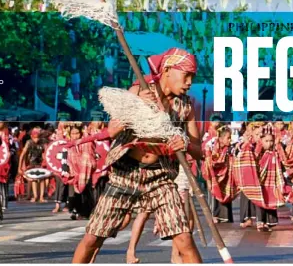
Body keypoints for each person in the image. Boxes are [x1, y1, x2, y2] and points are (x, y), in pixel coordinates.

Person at [71, 47, 202, 264]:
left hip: (160, 177)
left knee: (184, 239)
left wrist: (185, 142)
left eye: (192, 77)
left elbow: (198, 151)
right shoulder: (138, 90)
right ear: (168, 70)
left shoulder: (185, 106)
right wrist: (137, 108)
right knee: (93, 237)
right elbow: (113, 130)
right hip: (126, 172)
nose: (189, 82)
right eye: (186, 75)